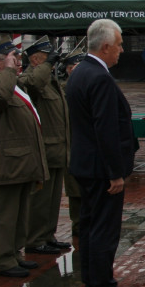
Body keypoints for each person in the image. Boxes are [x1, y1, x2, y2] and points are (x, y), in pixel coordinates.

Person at [66, 19, 143, 287]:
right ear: (107, 46)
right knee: (103, 231)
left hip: (86, 165)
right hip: (101, 170)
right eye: (120, 45)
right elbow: (105, 128)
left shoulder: (79, 73)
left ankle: (92, 285)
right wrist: (115, 173)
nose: (122, 51)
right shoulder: (98, 77)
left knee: (88, 227)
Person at [0, 39, 49, 277]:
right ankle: (4, 260)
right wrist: (7, 70)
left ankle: (15, 254)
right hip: (4, 163)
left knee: (19, 213)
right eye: (14, 59)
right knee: (4, 215)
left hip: (19, 162)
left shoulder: (10, 84)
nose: (19, 64)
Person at [19, 35, 72, 255]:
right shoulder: (31, 80)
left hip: (58, 148)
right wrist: (48, 64)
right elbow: (32, 83)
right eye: (45, 58)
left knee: (52, 200)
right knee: (40, 200)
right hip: (44, 150)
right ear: (34, 60)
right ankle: (34, 239)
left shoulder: (51, 82)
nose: (51, 62)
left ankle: (48, 235)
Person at [60, 50, 85, 245]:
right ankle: (78, 225)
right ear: (69, 69)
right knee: (75, 188)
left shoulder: (84, 86)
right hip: (70, 144)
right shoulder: (65, 89)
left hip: (84, 144)